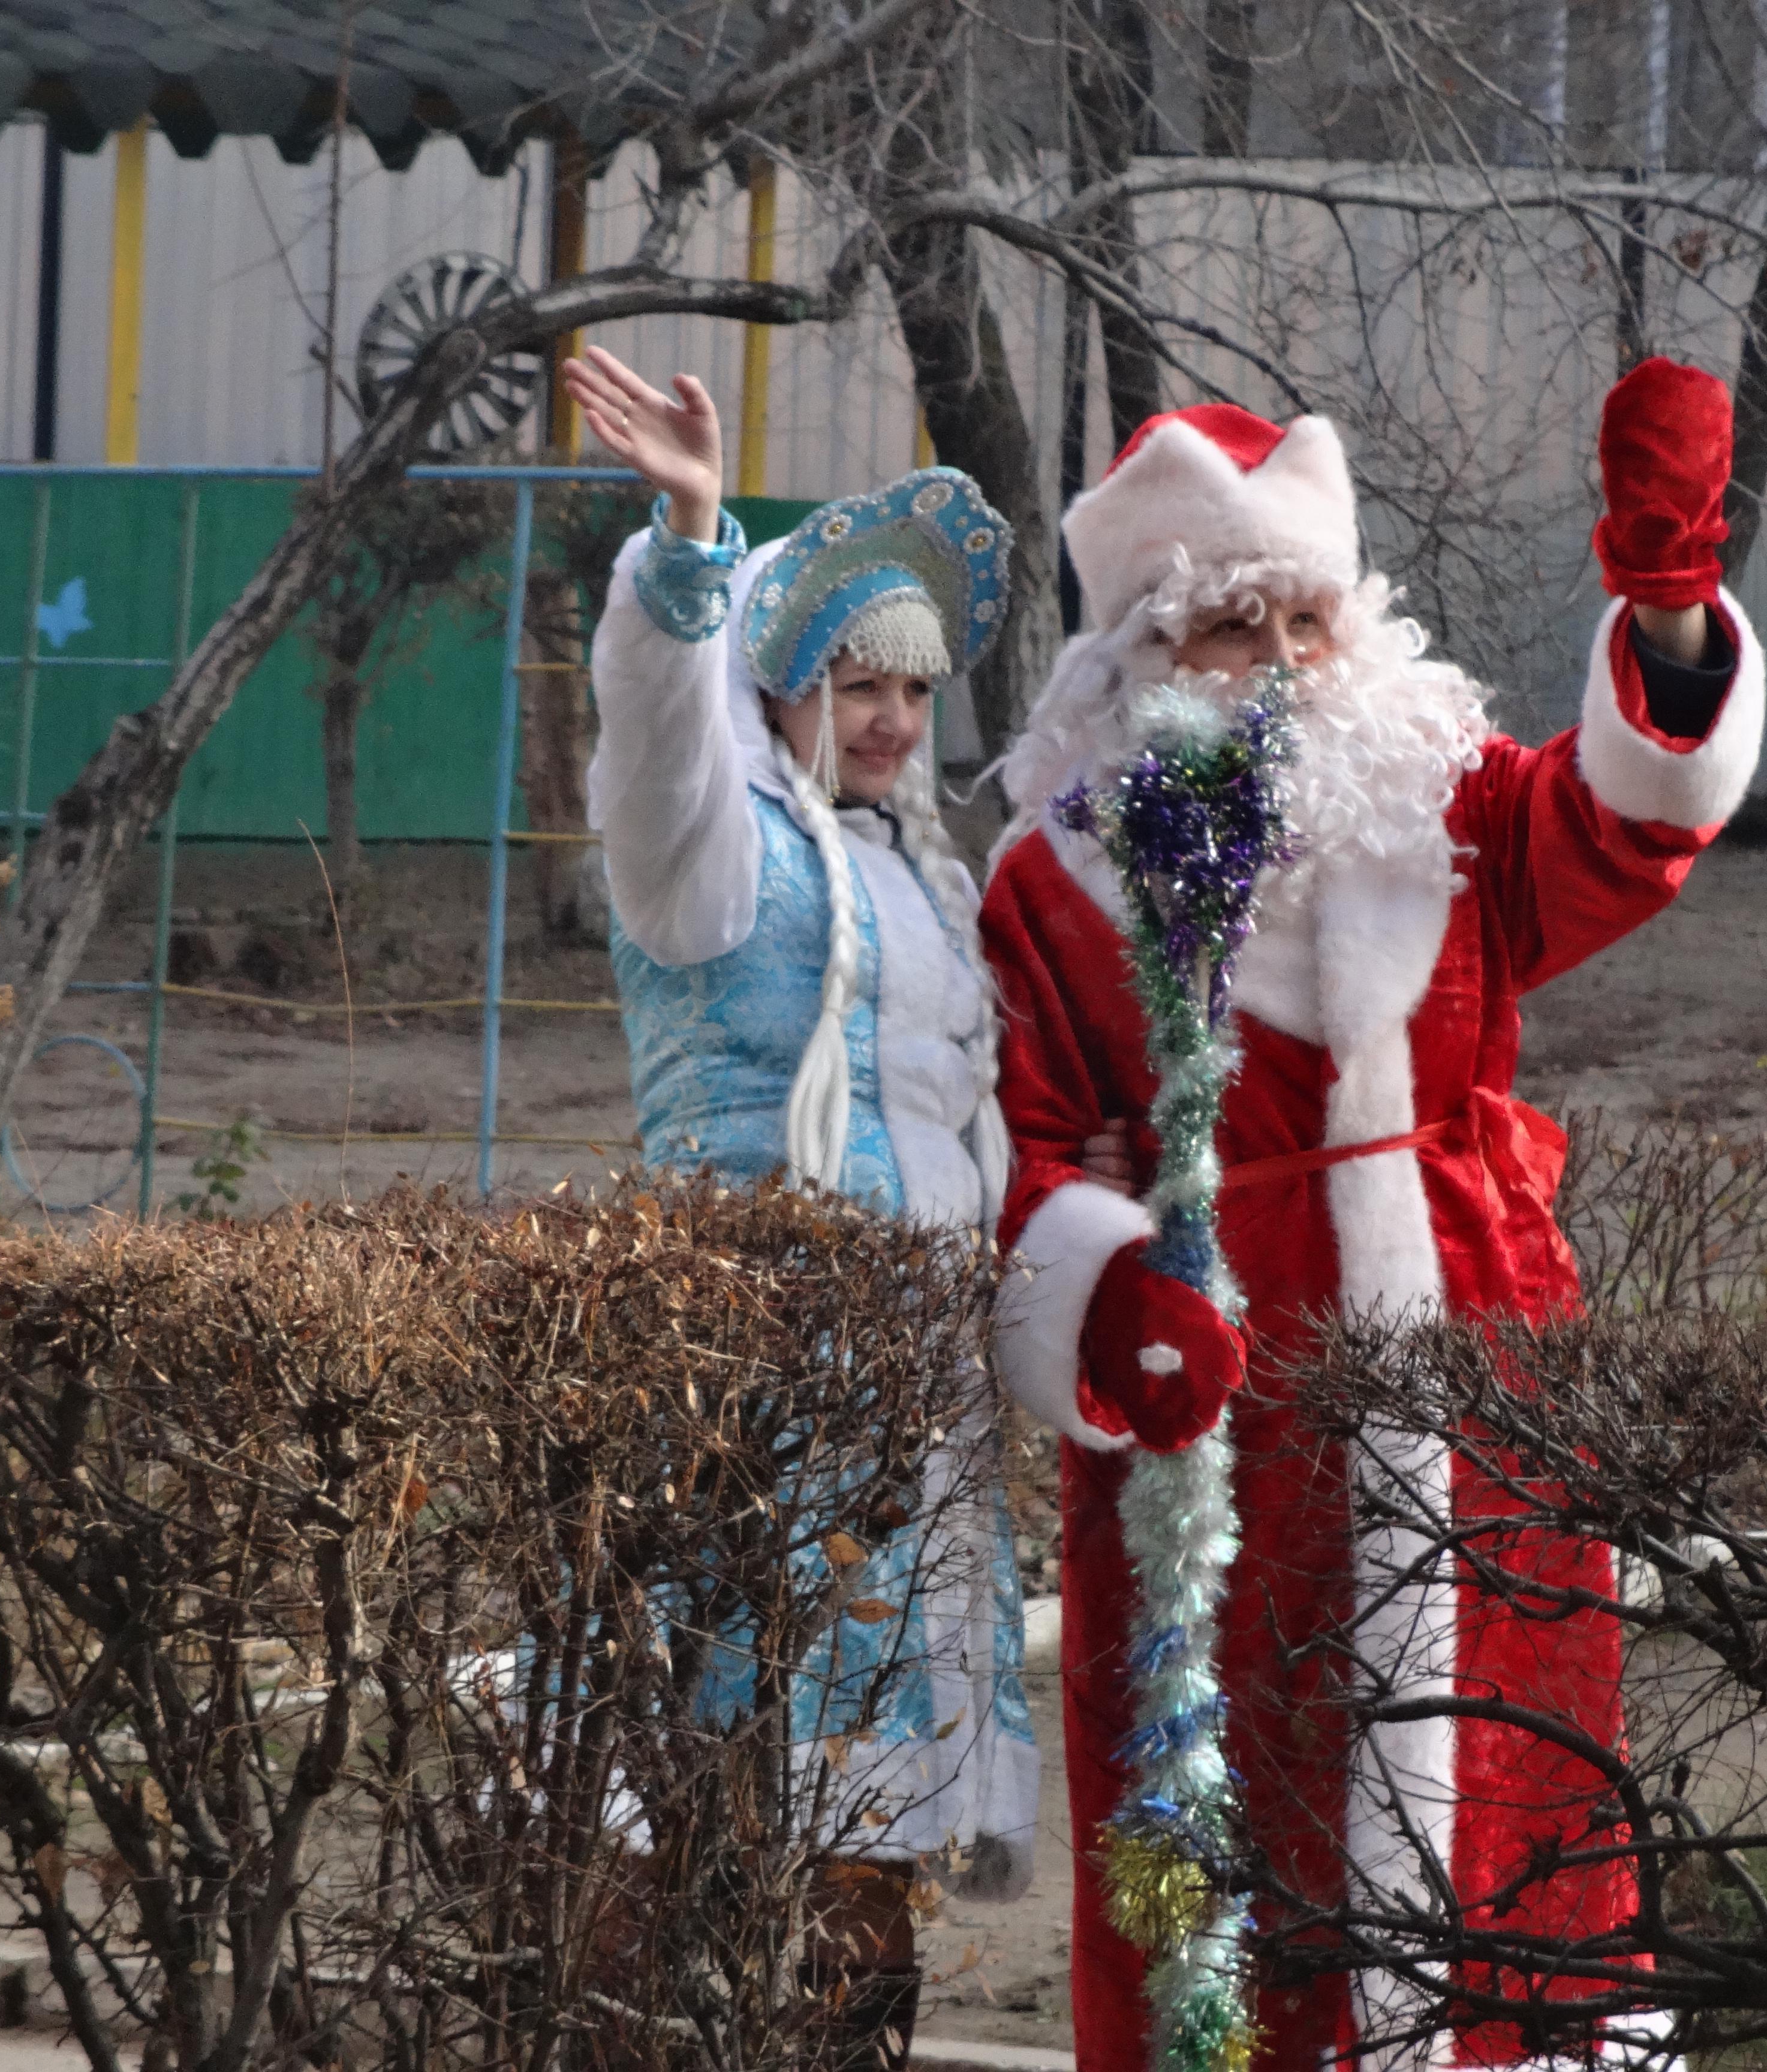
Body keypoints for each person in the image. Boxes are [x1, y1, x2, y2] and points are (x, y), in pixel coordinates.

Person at [978, 362, 1762, 2072]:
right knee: (1238, 1806)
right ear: (1137, 663)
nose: (1273, 668)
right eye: (1225, 631)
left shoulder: (1454, 813)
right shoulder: (1057, 881)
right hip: (1216, 1417)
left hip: (1469, 1380)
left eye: (1302, 626)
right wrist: (1106, 1297)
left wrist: (1675, 610)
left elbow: (1631, 822)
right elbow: (1026, 1152)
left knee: (1503, 1770)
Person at [565, 345, 1045, 2069]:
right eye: (852, 679)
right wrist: (693, 537)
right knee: (715, 1803)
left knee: (869, 1844)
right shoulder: (716, 857)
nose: (892, 720)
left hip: (907, 1413)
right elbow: (654, 747)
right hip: (746, 1393)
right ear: (778, 677)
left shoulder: (927, 880)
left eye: (912, 689)